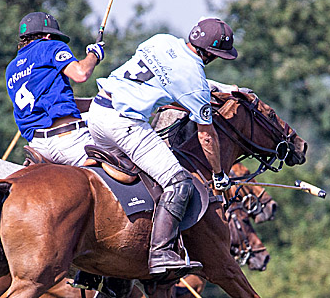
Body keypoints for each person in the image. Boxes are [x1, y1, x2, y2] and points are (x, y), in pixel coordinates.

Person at [89, 17, 239, 278]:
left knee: (125, 182)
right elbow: (206, 135)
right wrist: (218, 174)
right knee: (178, 182)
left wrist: (220, 88)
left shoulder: (162, 40)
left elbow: (175, 76)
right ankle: (161, 252)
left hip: (97, 113)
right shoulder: (193, 76)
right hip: (125, 124)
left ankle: (96, 256)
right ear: (212, 55)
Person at [6, 11, 104, 167]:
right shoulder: (49, 46)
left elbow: (51, 101)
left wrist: (99, 103)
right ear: (48, 36)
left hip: (37, 148)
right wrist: (94, 55)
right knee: (122, 166)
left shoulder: (11, 68)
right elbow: (81, 74)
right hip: (68, 141)